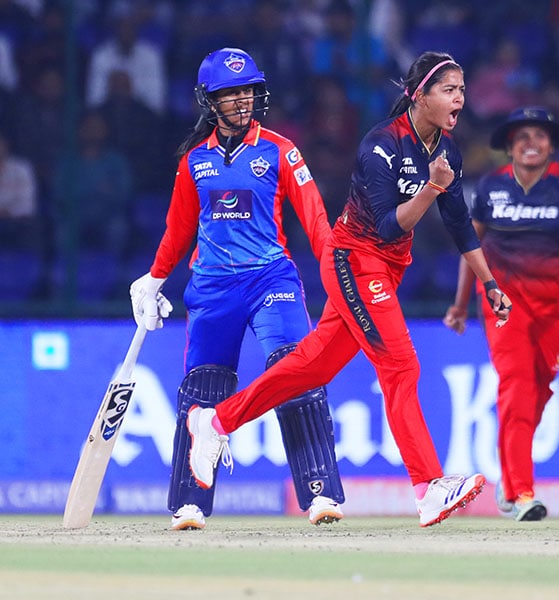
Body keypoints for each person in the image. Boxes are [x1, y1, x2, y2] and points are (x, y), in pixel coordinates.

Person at [182, 51, 512, 528]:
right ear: (419, 96)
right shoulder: (380, 145)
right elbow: (388, 225)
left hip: (385, 269)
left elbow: (459, 223)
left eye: (462, 89)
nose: (459, 97)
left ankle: (213, 422)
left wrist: (489, 282)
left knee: (308, 367)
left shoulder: (447, 152)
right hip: (353, 262)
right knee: (401, 366)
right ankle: (428, 488)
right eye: (448, 89)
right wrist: (431, 190)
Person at [128, 47, 345, 531]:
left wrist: (338, 273)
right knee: (203, 386)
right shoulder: (194, 161)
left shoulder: (281, 149)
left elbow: (314, 217)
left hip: (271, 278)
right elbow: (179, 226)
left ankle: (321, 492)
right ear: (210, 100)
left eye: (248, 89)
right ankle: (190, 504)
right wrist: (154, 278)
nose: (242, 100)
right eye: (230, 93)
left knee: (294, 366)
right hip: (212, 287)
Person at [443, 107, 559, 521]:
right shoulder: (490, 188)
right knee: (516, 387)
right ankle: (521, 493)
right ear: (509, 148)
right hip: (504, 305)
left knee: (538, 390)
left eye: (540, 135)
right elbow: (472, 248)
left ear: (552, 145)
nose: (531, 143)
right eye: (522, 137)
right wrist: (462, 304)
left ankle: (509, 473)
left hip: (556, 309)